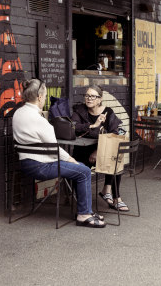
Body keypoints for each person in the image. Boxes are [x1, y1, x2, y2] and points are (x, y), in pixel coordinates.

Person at [12, 79, 106, 228]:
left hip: (25, 164)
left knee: (80, 168)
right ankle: (84, 215)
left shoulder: (18, 113)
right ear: (40, 97)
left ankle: (85, 209)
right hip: (41, 166)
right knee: (84, 171)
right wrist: (71, 159)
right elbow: (54, 149)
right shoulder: (39, 119)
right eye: (45, 95)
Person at [71, 85, 128, 211]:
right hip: (82, 151)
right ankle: (81, 199)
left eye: (92, 96)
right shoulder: (79, 110)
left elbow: (114, 134)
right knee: (78, 166)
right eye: (87, 96)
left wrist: (98, 151)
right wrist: (92, 125)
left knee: (114, 160)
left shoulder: (108, 112)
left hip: (101, 151)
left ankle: (116, 197)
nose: (89, 99)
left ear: (100, 99)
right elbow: (74, 128)